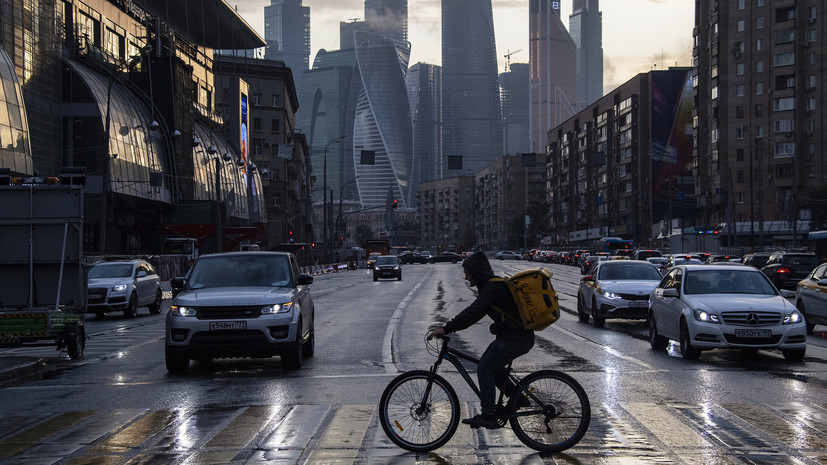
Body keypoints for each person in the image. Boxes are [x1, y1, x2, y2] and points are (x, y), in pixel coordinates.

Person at [427, 251, 535, 429]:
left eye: (467, 273)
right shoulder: (490, 287)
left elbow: (473, 311)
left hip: (515, 339)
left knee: (485, 368)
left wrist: (446, 329)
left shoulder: (492, 288)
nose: (466, 277)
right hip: (516, 337)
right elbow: (474, 316)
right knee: (494, 368)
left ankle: (488, 415)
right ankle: (518, 398)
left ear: (476, 272)